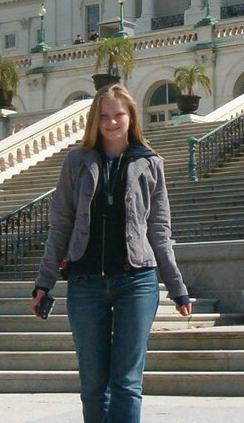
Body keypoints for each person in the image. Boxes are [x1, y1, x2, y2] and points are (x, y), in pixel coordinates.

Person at [32, 83, 192, 422]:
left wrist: (177, 288)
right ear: (94, 120)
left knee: (127, 382)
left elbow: (159, 230)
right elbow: (60, 225)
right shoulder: (76, 161)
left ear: (131, 117)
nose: (112, 122)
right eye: (104, 116)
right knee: (93, 384)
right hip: (85, 282)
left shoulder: (150, 164)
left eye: (118, 114)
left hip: (137, 281)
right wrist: (43, 283)